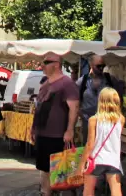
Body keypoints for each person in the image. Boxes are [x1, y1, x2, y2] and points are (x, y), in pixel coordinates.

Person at [31, 52, 80, 195]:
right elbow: (39, 107)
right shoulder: (45, 83)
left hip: (56, 135)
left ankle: (51, 192)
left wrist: (70, 130)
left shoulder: (67, 83)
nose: (42, 65)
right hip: (42, 133)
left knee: (58, 171)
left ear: (57, 64)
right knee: (44, 168)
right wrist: (33, 128)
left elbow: (74, 107)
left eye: (46, 62)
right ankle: (45, 191)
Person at [81, 87, 125, 196]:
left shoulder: (93, 119)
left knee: (88, 190)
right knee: (116, 191)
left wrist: (82, 163)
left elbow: (90, 144)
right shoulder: (121, 119)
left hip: (96, 159)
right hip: (113, 160)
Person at [79, 55, 126, 137]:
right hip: (88, 123)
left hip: (107, 123)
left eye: (103, 66)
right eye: (98, 66)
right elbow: (75, 101)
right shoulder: (82, 81)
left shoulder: (110, 80)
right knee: (90, 145)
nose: (101, 68)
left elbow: (119, 99)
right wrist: (81, 115)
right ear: (91, 65)